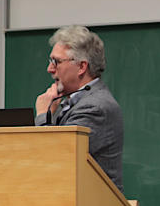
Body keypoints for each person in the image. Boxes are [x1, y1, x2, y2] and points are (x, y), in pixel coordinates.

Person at [35, 25, 124, 191]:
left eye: (56, 62)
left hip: (92, 205)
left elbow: (56, 158)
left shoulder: (95, 107)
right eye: (50, 61)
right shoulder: (69, 102)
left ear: (82, 67)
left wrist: (42, 114)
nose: (50, 69)